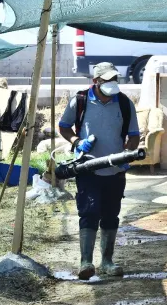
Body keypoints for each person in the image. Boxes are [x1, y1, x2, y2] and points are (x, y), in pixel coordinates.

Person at [58, 62, 140, 280]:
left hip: (115, 170)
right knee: (89, 212)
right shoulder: (80, 101)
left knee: (111, 215)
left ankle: (107, 261)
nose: (112, 83)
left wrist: (127, 155)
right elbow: (64, 127)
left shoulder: (124, 103)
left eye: (115, 79)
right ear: (96, 81)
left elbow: (133, 136)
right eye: (107, 80)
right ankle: (86, 262)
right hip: (88, 167)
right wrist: (77, 142)